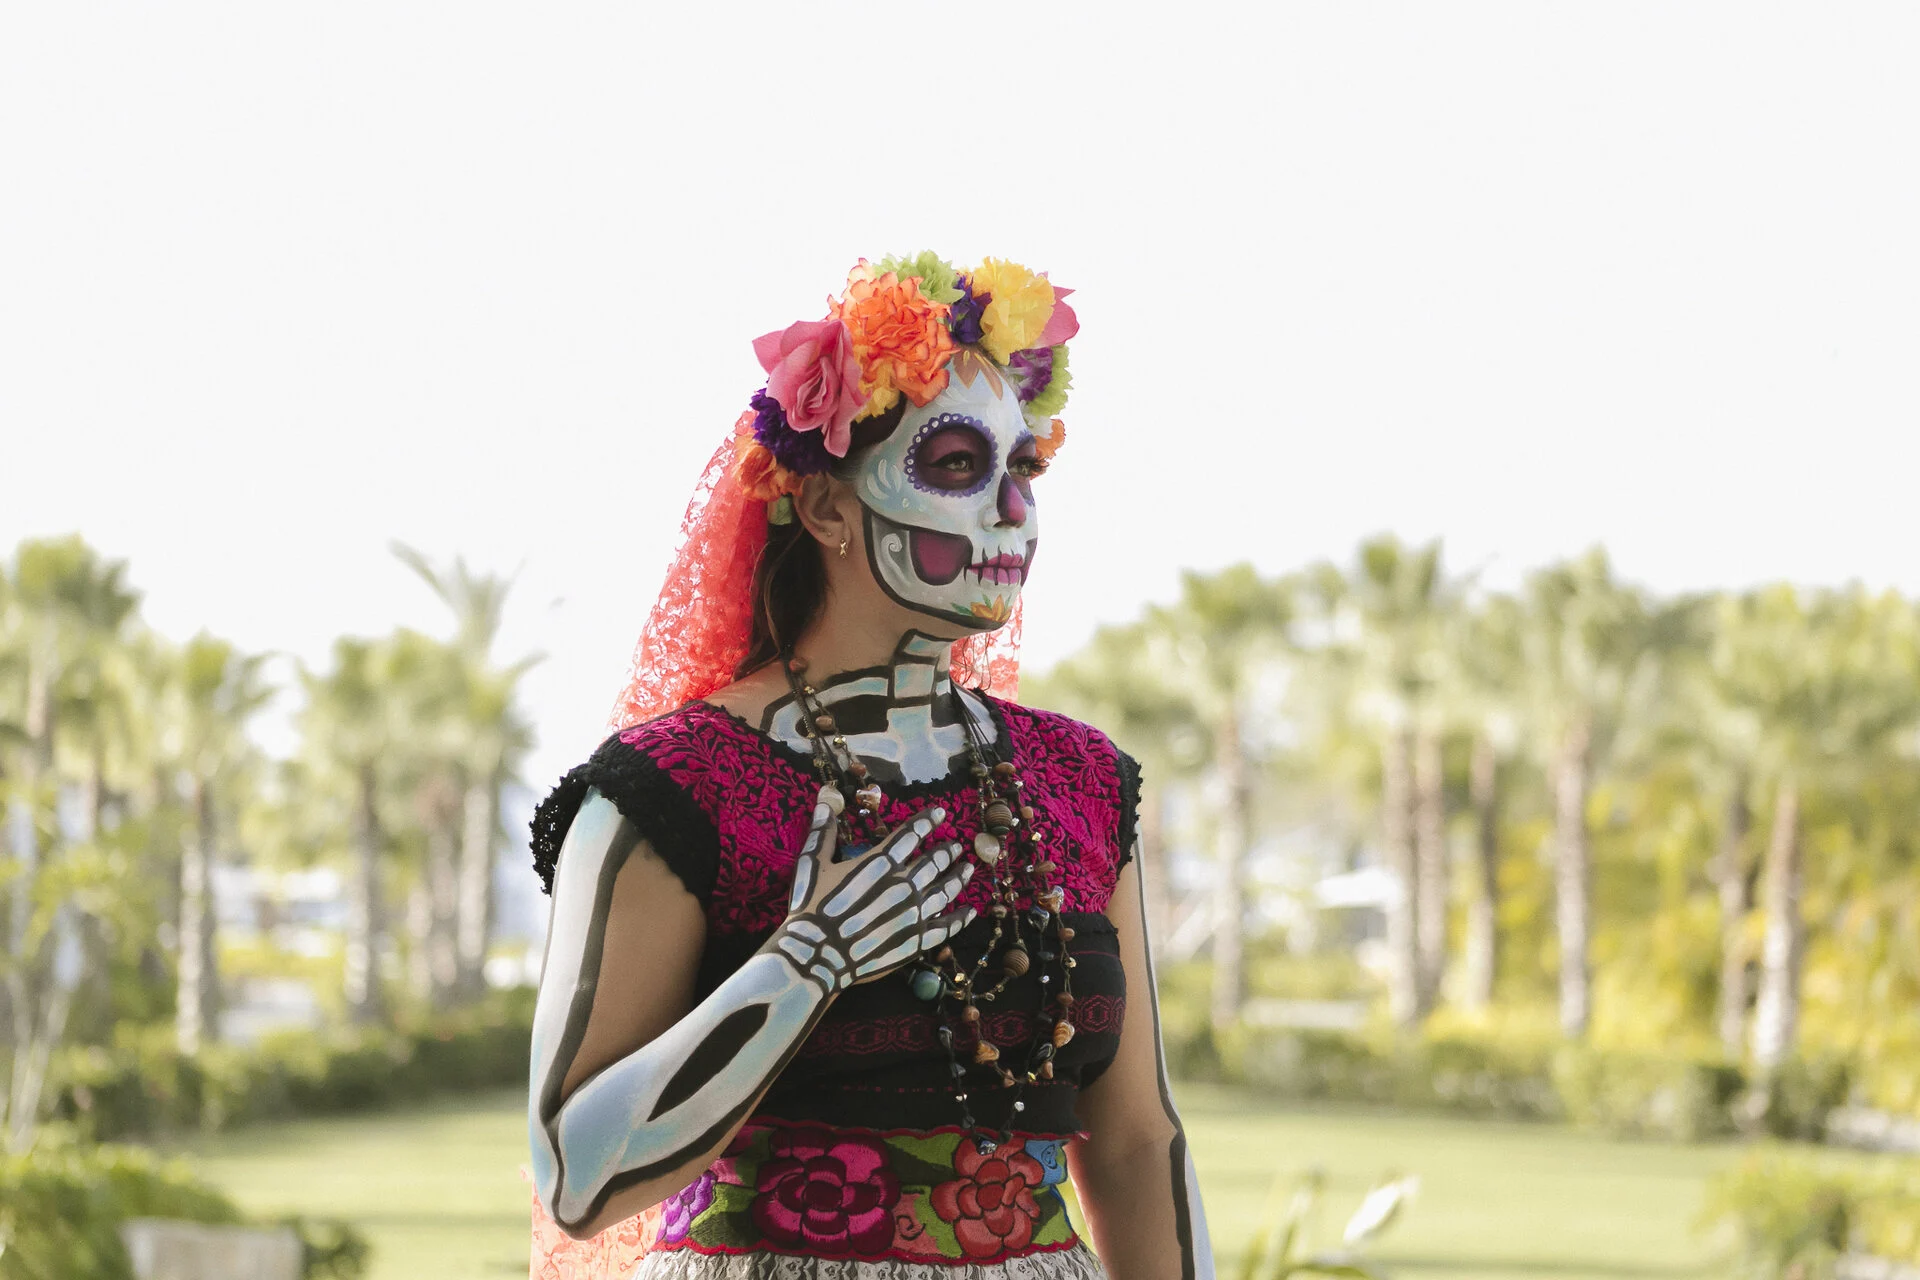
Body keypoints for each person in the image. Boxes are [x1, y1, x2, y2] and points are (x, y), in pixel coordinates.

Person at [527, 254, 1214, 1279]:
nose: (1011, 510)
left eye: (1020, 469)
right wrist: (808, 960)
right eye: (953, 466)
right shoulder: (672, 787)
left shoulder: (1080, 780)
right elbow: (577, 1174)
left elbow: (1133, 1139)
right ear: (826, 509)